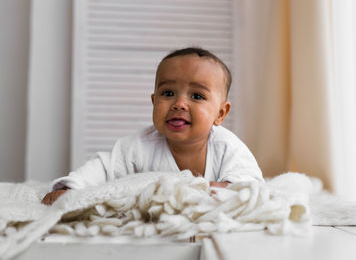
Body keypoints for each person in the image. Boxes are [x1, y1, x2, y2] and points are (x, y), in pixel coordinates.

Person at [41, 47, 264, 205]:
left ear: (220, 113)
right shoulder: (138, 146)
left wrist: (211, 189)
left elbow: (251, 185)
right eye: (167, 93)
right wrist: (71, 188)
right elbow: (103, 168)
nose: (179, 104)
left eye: (196, 96)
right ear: (154, 101)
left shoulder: (227, 147)